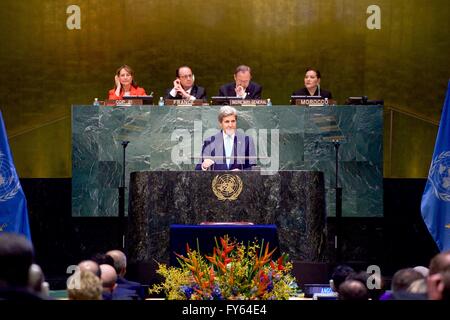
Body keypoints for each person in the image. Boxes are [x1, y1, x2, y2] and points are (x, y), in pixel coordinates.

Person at [195, 106, 256, 171]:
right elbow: (198, 169)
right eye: (227, 122)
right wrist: (204, 166)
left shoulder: (247, 141)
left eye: (233, 121)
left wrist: (241, 172)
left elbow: (253, 168)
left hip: (239, 180)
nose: (230, 125)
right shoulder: (209, 141)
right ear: (221, 123)